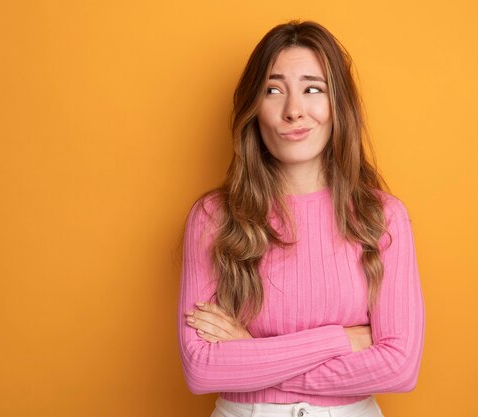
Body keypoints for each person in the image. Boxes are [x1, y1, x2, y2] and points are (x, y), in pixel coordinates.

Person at [177, 20, 425, 417]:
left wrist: (249, 354)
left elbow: (399, 367)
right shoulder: (214, 217)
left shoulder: (382, 218)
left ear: (337, 106)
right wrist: (339, 340)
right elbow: (202, 369)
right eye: (273, 90)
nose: (294, 111)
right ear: (254, 109)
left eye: (313, 89)